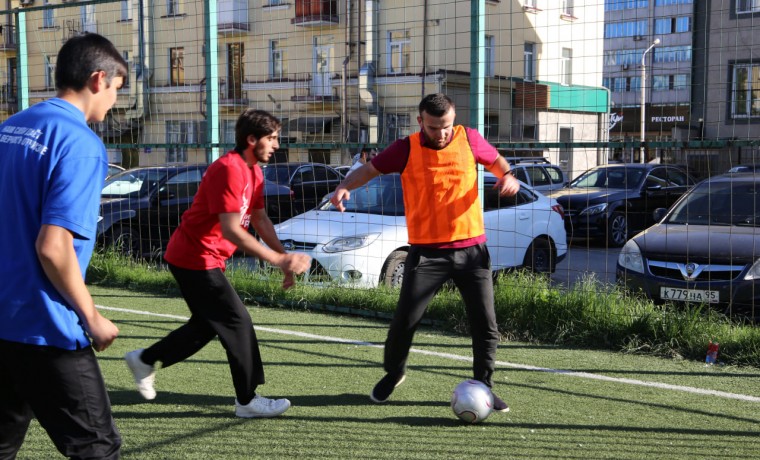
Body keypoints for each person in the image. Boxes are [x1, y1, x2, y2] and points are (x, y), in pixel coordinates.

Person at [330, 93, 520, 411]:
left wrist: (508, 176)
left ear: (454, 120)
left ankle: (484, 386)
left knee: (485, 324)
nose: (442, 133)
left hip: (471, 250)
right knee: (405, 320)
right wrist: (345, 186)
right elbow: (370, 170)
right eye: (434, 127)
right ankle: (394, 373)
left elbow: (497, 162)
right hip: (427, 254)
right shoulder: (406, 148)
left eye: (446, 126)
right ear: (421, 122)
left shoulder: (470, 139)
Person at [125, 109, 311, 419]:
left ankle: (146, 359)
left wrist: (283, 262)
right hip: (194, 258)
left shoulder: (255, 171)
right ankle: (247, 400)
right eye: (272, 138)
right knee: (237, 322)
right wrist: (279, 258)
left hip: (205, 258)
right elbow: (231, 229)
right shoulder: (229, 169)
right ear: (252, 139)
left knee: (206, 325)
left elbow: (261, 219)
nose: (277, 144)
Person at [0, 33, 127, 459]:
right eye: (116, 89)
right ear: (98, 80)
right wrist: (91, 316)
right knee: (96, 447)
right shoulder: (80, 143)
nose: (114, 102)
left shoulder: (11, 127)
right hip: (44, 325)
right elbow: (53, 247)